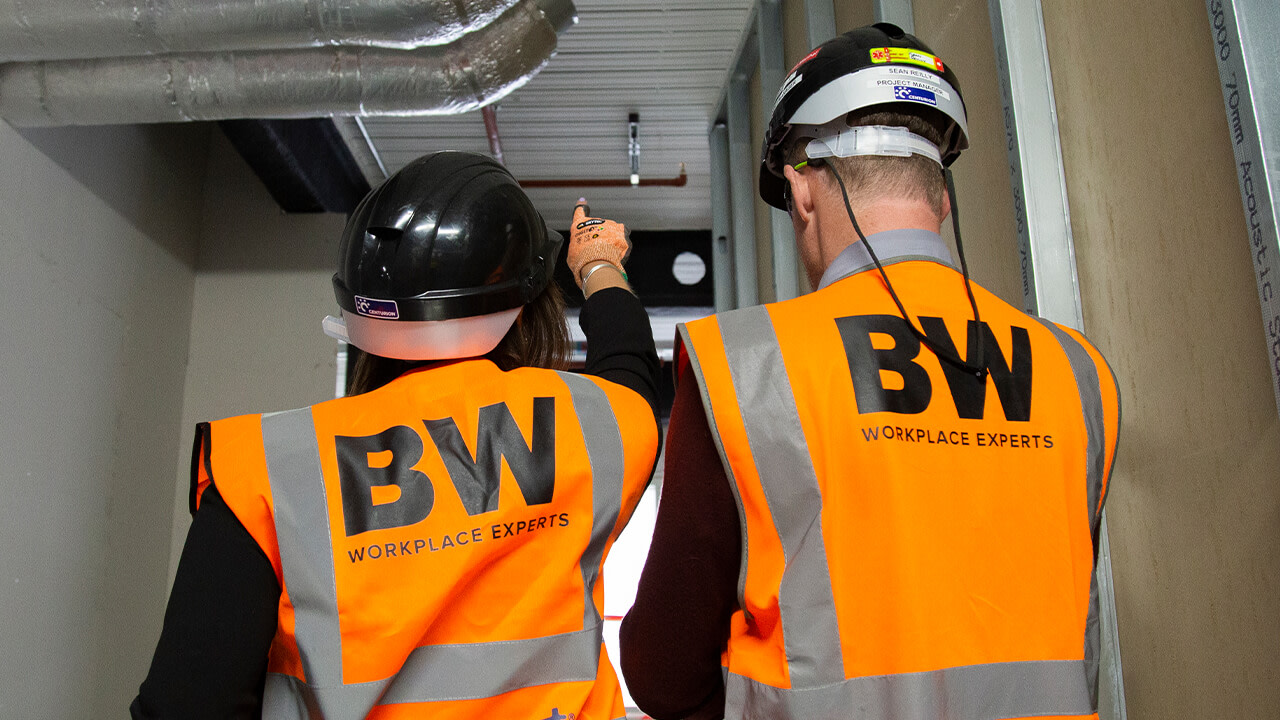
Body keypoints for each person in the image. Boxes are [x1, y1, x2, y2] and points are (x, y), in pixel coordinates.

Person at [620, 23, 1120, 720]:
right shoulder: (1078, 372)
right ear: (942, 199)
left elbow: (664, 674)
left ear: (801, 192)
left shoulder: (745, 366)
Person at [132, 151, 660, 719]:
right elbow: (627, 362)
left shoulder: (264, 468)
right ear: (529, 310)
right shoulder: (591, 424)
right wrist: (597, 265)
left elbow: (185, 704)